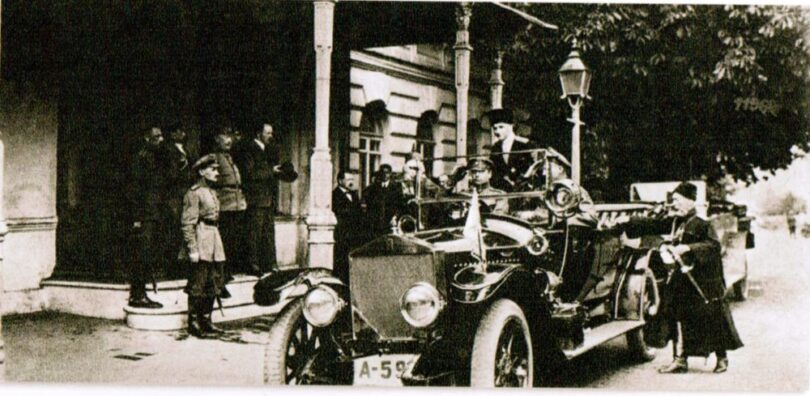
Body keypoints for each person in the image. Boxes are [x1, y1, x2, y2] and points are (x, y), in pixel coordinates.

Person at [619, 182, 743, 374]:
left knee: (713, 317)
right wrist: (626, 222)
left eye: (677, 200)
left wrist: (688, 248)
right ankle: (680, 360)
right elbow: (652, 224)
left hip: (704, 281)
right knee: (677, 315)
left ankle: (722, 358)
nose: (674, 203)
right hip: (683, 278)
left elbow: (713, 247)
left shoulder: (702, 223)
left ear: (688, 201)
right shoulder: (676, 222)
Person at [181, 155, 227, 338]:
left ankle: (206, 320)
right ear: (201, 171)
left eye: (217, 169)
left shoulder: (212, 192)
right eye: (213, 169)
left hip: (214, 238)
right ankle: (193, 322)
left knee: (214, 282)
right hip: (201, 239)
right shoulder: (194, 193)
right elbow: (187, 223)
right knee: (197, 283)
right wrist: (192, 248)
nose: (217, 172)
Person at [234, 122, 282, 276]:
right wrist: (272, 171)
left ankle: (269, 264)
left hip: (267, 199)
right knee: (254, 234)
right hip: (255, 199)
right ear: (258, 134)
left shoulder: (268, 150)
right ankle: (253, 265)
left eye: (271, 133)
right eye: (267, 133)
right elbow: (249, 174)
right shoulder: (249, 149)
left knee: (268, 233)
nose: (270, 136)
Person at [128, 126, 167, 309]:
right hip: (144, 215)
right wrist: (137, 218)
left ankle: (142, 292)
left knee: (148, 253)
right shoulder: (141, 158)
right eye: (156, 136)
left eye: (161, 136)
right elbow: (135, 190)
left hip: (153, 212)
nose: (161, 139)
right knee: (141, 254)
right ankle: (138, 295)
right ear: (146, 138)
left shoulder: (154, 157)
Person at [211, 130, 247, 295]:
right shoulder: (215, 158)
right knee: (222, 243)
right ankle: (219, 280)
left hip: (236, 204)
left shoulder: (229, 157)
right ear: (216, 139)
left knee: (232, 241)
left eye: (229, 137)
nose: (228, 140)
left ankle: (226, 274)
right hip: (224, 204)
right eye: (224, 136)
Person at [163, 122, 196, 277]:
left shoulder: (186, 150)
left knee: (186, 229)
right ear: (172, 134)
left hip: (186, 193)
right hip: (174, 195)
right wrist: (180, 167)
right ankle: (171, 266)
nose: (183, 133)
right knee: (174, 230)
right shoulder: (168, 150)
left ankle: (182, 264)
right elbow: (169, 173)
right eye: (179, 131)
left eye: (183, 130)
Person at [487, 108, 536, 192]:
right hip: (503, 191)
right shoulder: (496, 147)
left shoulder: (525, 144)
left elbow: (534, 167)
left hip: (524, 191)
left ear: (511, 126)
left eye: (501, 127)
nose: (497, 131)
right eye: (494, 128)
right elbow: (494, 171)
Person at [332, 170, 362, 282]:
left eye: (352, 179)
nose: (351, 182)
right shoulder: (334, 195)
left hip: (354, 234)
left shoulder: (354, 194)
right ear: (340, 181)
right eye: (348, 179)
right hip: (342, 234)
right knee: (342, 262)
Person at [363, 164, 402, 237]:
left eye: (387, 173)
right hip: (376, 224)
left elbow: (400, 205)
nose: (384, 175)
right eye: (382, 173)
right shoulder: (374, 187)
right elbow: (368, 201)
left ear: (390, 174)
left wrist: (395, 217)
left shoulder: (396, 188)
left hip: (390, 222)